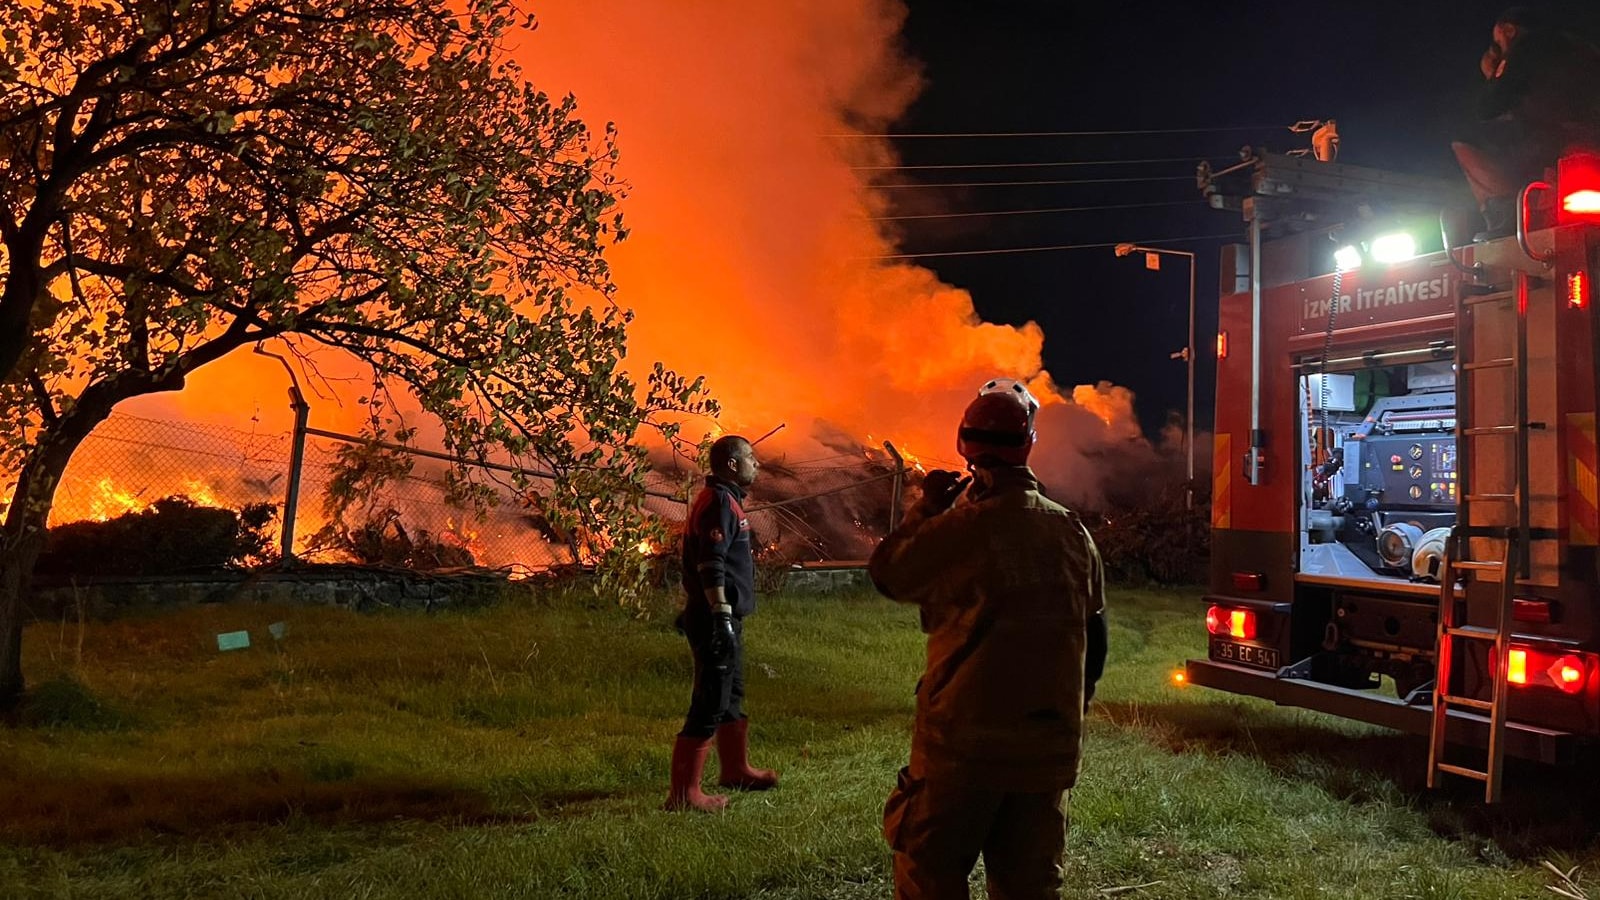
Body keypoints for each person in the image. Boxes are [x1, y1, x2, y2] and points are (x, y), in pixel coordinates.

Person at [869, 379, 1109, 900]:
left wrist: (924, 509)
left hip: (960, 751)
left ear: (962, 445)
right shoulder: (1074, 534)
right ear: (1029, 444)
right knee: (1030, 887)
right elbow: (1097, 638)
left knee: (929, 875)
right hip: (1046, 753)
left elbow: (888, 573)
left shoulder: (959, 531)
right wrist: (1067, 714)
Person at [664, 434, 779, 812]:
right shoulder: (718, 503)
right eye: (751, 457)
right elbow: (710, 564)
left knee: (731, 696)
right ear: (731, 464)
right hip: (717, 618)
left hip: (724, 617)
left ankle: (735, 769)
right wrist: (722, 617)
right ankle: (685, 794)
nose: (756, 464)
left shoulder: (727, 499)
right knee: (710, 699)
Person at [1452, 7, 1600, 235]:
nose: (1498, 47)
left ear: (1509, 30)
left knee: (1463, 139)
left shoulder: (1524, 47)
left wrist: (1492, 75)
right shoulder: (1584, 49)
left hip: (1549, 139)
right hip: (1588, 141)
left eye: (1498, 40)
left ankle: (1506, 213)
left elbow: (1489, 107)